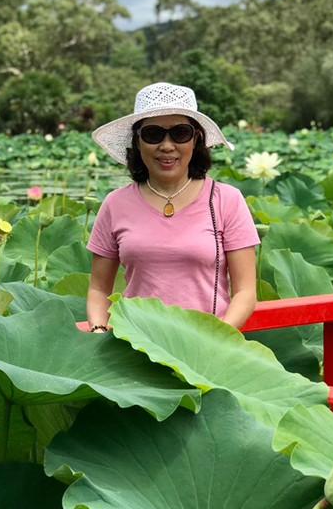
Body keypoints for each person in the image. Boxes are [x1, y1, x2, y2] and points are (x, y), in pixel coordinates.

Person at [86, 82, 259, 331]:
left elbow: (245, 292)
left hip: (206, 349)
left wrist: (216, 339)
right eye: (153, 134)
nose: (167, 146)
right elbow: (99, 289)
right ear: (138, 141)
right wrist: (99, 330)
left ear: (196, 138)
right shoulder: (115, 204)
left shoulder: (226, 201)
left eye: (180, 133)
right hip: (135, 348)